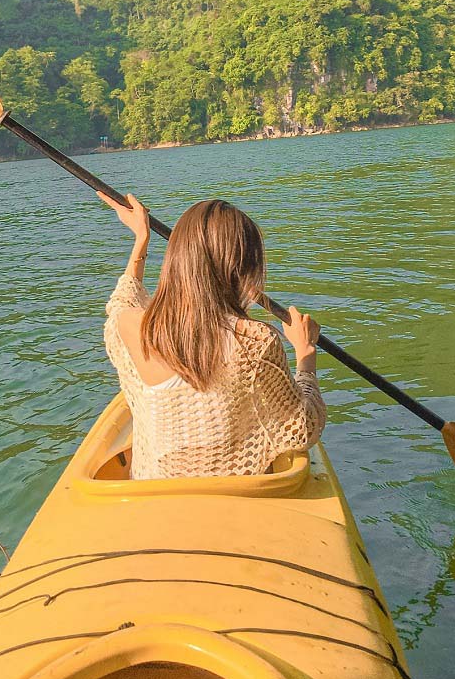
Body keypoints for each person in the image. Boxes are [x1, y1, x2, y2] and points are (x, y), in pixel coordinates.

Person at [97, 190, 326, 480]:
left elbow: (123, 297)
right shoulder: (255, 340)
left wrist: (141, 239)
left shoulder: (127, 325)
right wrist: (306, 355)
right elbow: (303, 429)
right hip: (233, 495)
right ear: (244, 268)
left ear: (176, 258)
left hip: (153, 489)